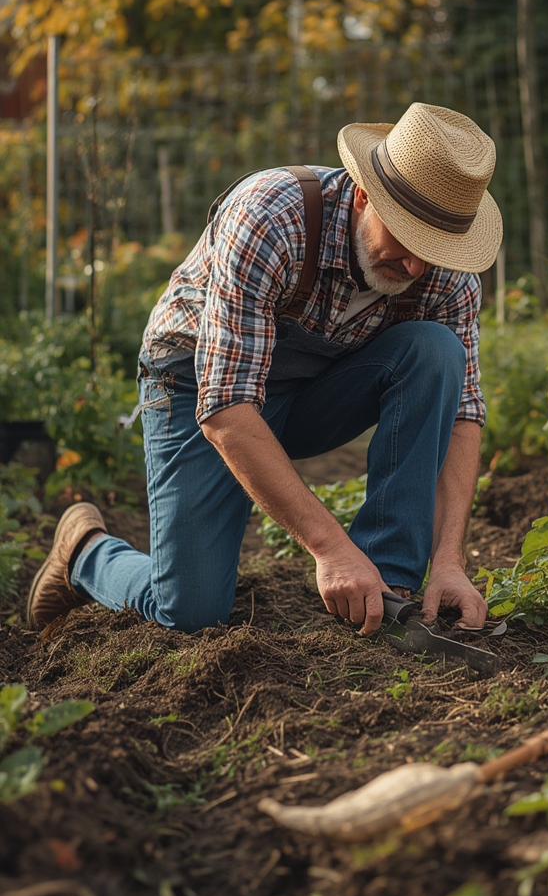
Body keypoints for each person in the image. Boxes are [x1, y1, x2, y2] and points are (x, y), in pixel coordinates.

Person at [27, 102, 503, 637]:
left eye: (433, 250)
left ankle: (388, 594)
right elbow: (226, 407)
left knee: (435, 351)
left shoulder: (446, 274)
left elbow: (462, 413)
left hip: (313, 389)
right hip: (196, 387)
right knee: (191, 611)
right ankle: (86, 554)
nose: (416, 266)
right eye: (407, 240)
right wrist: (331, 549)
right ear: (365, 194)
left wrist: (450, 562)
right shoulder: (273, 217)